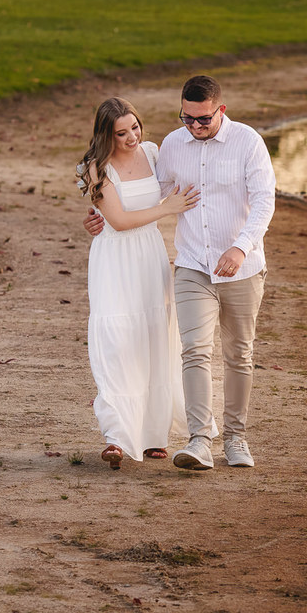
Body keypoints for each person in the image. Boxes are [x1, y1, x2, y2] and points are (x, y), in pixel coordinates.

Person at [84, 75, 276, 470]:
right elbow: (151, 195)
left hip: (242, 267)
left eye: (202, 119)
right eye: (186, 118)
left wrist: (241, 247)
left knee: (238, 354)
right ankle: (199, 440)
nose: (194, 126)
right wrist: (101, 214)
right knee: (193, 352)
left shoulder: (247, 142)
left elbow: (263, 201)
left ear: (220, 110)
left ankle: (236, 439)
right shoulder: (171, 146)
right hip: (191, 266)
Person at [76, 97, 199, 470]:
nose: (132, 137)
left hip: (149, 256)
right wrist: (168, 208)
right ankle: (116, 435)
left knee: (153, 337)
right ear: (106, 135)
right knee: (117, 341)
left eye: (135, 127)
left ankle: (153, 434)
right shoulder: (95, 167)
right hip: (114, 260)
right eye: (121, 132)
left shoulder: (152, 151)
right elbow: (118, 220)